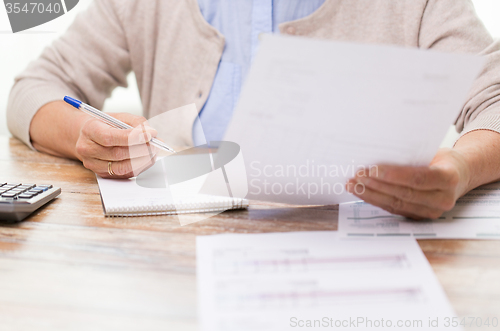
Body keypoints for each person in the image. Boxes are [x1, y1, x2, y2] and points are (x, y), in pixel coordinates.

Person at [7, 0, 500, 219]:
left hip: (363, 253)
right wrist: (84, 133)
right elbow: (34, 90)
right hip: (177, 263)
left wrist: (459, 166)